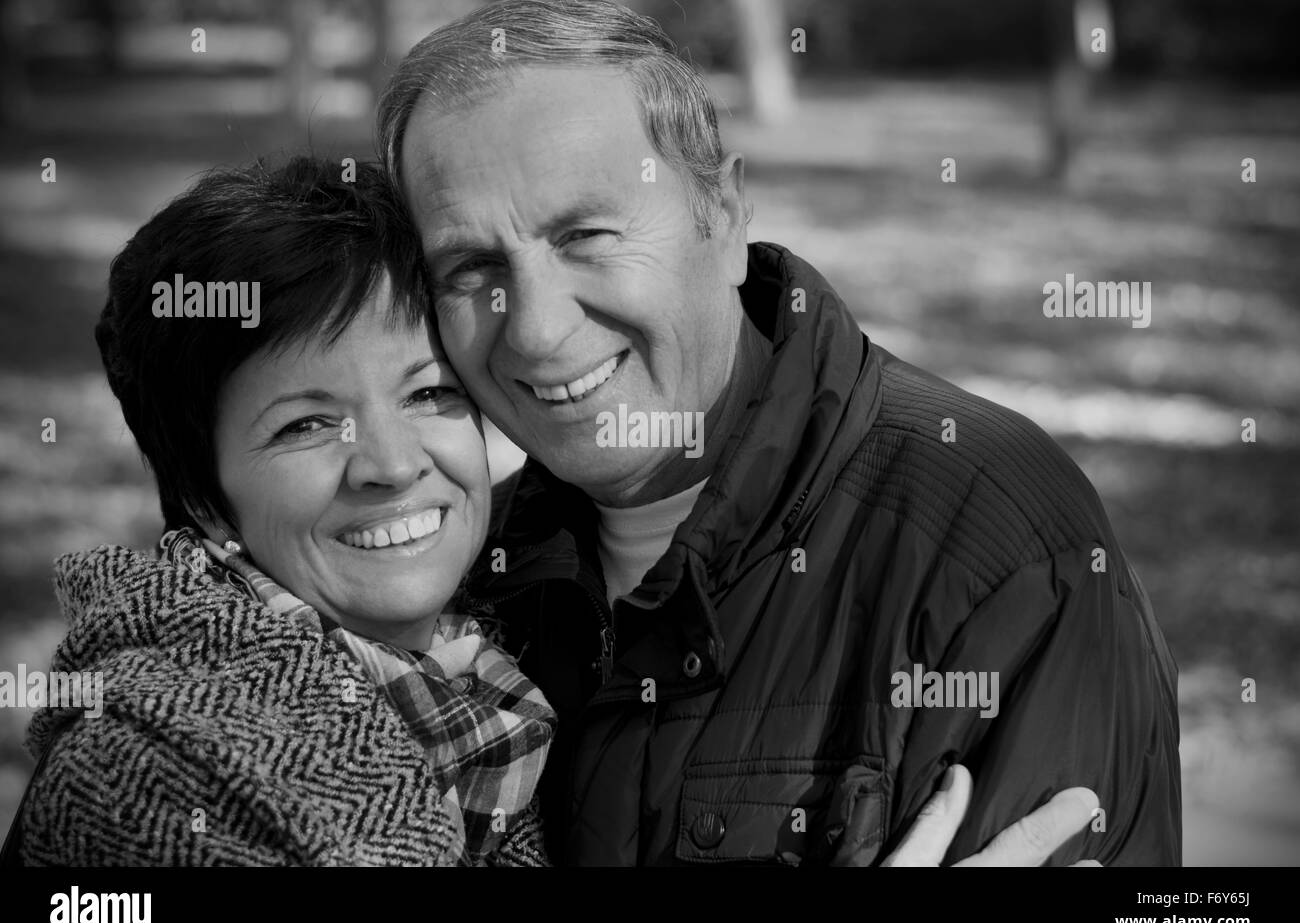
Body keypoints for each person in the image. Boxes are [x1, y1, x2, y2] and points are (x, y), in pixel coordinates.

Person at [377, 0, 1182, 866]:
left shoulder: (998, 553)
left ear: (721, 215)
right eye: (474, 269)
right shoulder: (451, 580)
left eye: (586, 235)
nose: (534, 330)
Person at [5, 156, 555, 866]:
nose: (389, 465)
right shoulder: (147, 779)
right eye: (305, 425)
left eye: (426, 393)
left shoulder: (497, 665)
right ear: (206, 503)